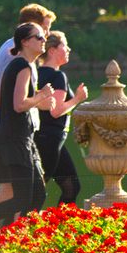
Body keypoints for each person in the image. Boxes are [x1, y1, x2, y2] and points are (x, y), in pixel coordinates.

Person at [0, 2, 55, 227]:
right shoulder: (21, 65)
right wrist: (41, 96)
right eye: (39, 36)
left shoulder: (21, 63)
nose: (45, 38)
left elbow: (2, 98)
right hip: (14, 139)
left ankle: (1, 239)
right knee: (22, 197)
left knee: (29, 195)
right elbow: (17, 104)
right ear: (25, 41)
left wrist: (36, 97)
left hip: (19, 137)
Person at [34, 32, 87, 206]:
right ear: (52, 50)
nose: (69, 49)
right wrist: (77, 99)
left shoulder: (35, 73)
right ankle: (17, 227)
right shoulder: (58, 76)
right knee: (38, 190)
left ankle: (58, 227)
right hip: (50, 138)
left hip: (46, 137)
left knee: (71, 186)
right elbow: (55, 111)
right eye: (65, 45)